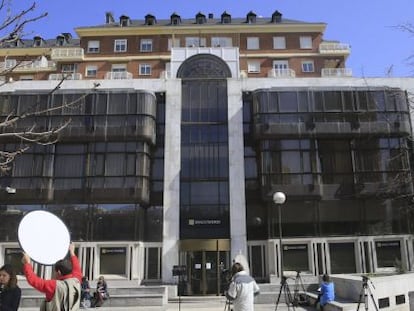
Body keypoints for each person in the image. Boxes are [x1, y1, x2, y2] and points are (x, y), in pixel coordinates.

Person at [22, 242, 82, 311]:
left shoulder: (54, 285)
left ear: (59, 272)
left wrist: (27, 264)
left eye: (54, 271)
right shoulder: (76, 280)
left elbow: (33, 280)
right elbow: (77, 267)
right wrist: (72, 253)